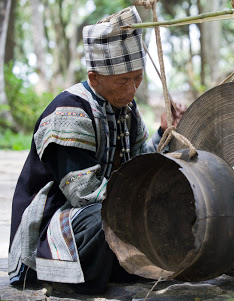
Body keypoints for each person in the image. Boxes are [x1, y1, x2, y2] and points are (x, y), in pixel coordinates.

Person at [8, 6, 186, 294]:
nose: (131, 89)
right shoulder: (68, 112)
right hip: (59, 220)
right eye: (122, 81)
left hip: (106, 203)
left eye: (137, 78)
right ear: (94, 78)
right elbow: (83, 193)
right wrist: (144, 204)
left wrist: (164, 132)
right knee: (106, 223)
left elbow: (139, 163)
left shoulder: (126, 107)